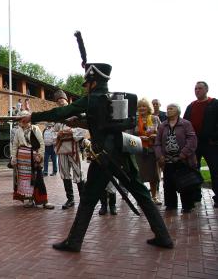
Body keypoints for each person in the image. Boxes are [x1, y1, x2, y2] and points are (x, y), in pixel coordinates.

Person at [20, 62, 173, 251]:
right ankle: (163, 236)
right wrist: (81, 121)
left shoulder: (92, 99)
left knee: (88, 199)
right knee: (141, 193)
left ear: (93, 82)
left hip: (105, 157)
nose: (85, 87)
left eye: (87, 83)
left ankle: (74, 241)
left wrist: (33, 116)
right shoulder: (110, 99)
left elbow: (61, 111)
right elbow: (102, 125)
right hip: (122, 151)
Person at [155, 103, 197, 213]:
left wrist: (183, 154)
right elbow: (157, 142)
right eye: (167, 108)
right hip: (167, 160)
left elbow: (192, 140)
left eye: (171, 108)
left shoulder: (185, 124)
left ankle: (187, 206)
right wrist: (160, 156)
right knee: (168, 184)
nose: (168, 110)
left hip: (182, 159)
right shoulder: (162, 125)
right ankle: (171, 205)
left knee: (185, 182)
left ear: (178, 111)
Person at [183, 81, 218, 208]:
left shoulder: (214, 104)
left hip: (211, 144)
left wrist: (214, 137)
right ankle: (195, 196)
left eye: (200, 88)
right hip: (194, 144)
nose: (197, 90)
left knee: (215, 170)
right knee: (193, 170)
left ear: (206, 90)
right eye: (195, 88)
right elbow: (185, 124)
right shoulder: (191, 106)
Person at [53, 90, 88, 210]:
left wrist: (69, 132)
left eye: (61, 100)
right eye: (58, 101)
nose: (60, 102)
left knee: (78, 172)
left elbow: (82, 129)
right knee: (64, 173)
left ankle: (84, 199)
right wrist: (59, 134)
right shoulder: (58, 115)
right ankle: (70, 199)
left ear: (66, 100)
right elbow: (53, 132)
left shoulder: (75, 112)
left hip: (73, 148)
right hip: (61, 148)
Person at [11, 110, 54, 209]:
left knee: (38, 179)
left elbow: (41, 143)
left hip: (34, 158)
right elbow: (15, 146)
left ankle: (44, 201)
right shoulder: (18, 131)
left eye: (24, 118)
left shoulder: (35, 129)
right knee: (26, 181)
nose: (23, 120)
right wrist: (14, 158)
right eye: (21, 118)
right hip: (22, 160)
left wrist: (40, 155)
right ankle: (30, 200)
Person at [133, 98, 162, 205]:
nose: (141, 108)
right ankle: (143, 198)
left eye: (144, 106)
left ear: (148, 107)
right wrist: (140, 138)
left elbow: (161, 133)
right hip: (139, 151)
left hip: (152, 151)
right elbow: (129, 135)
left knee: (153, 175)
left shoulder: (155, 119)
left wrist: (155, 135)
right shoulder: (134, 120)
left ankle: (154, 197)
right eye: (140, 106)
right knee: (140, 176)